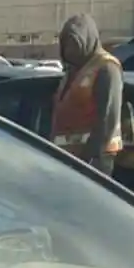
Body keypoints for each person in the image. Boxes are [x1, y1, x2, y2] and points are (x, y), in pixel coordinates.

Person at [51, 14, 123, 174]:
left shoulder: (106, 68)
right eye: (66, 45)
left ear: (88, 40)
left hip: (94, 161)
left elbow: (107, 120)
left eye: (75, 44)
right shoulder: (73, 71)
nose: (70, 51)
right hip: (68, 158)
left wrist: (90, 158)